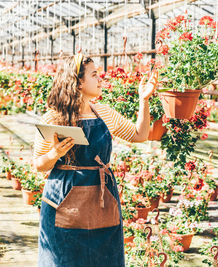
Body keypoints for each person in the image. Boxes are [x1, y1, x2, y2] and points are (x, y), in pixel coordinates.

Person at [32, 53, 158, 267]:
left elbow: (139, 135)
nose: (101, 79)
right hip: (63, 199)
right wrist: (55, 153)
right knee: (63, 259)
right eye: (94, 75)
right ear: (79, 82)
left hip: (102, 199)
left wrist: (143, 101)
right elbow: (38, 164)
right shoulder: (52, 119)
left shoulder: (103, 112)